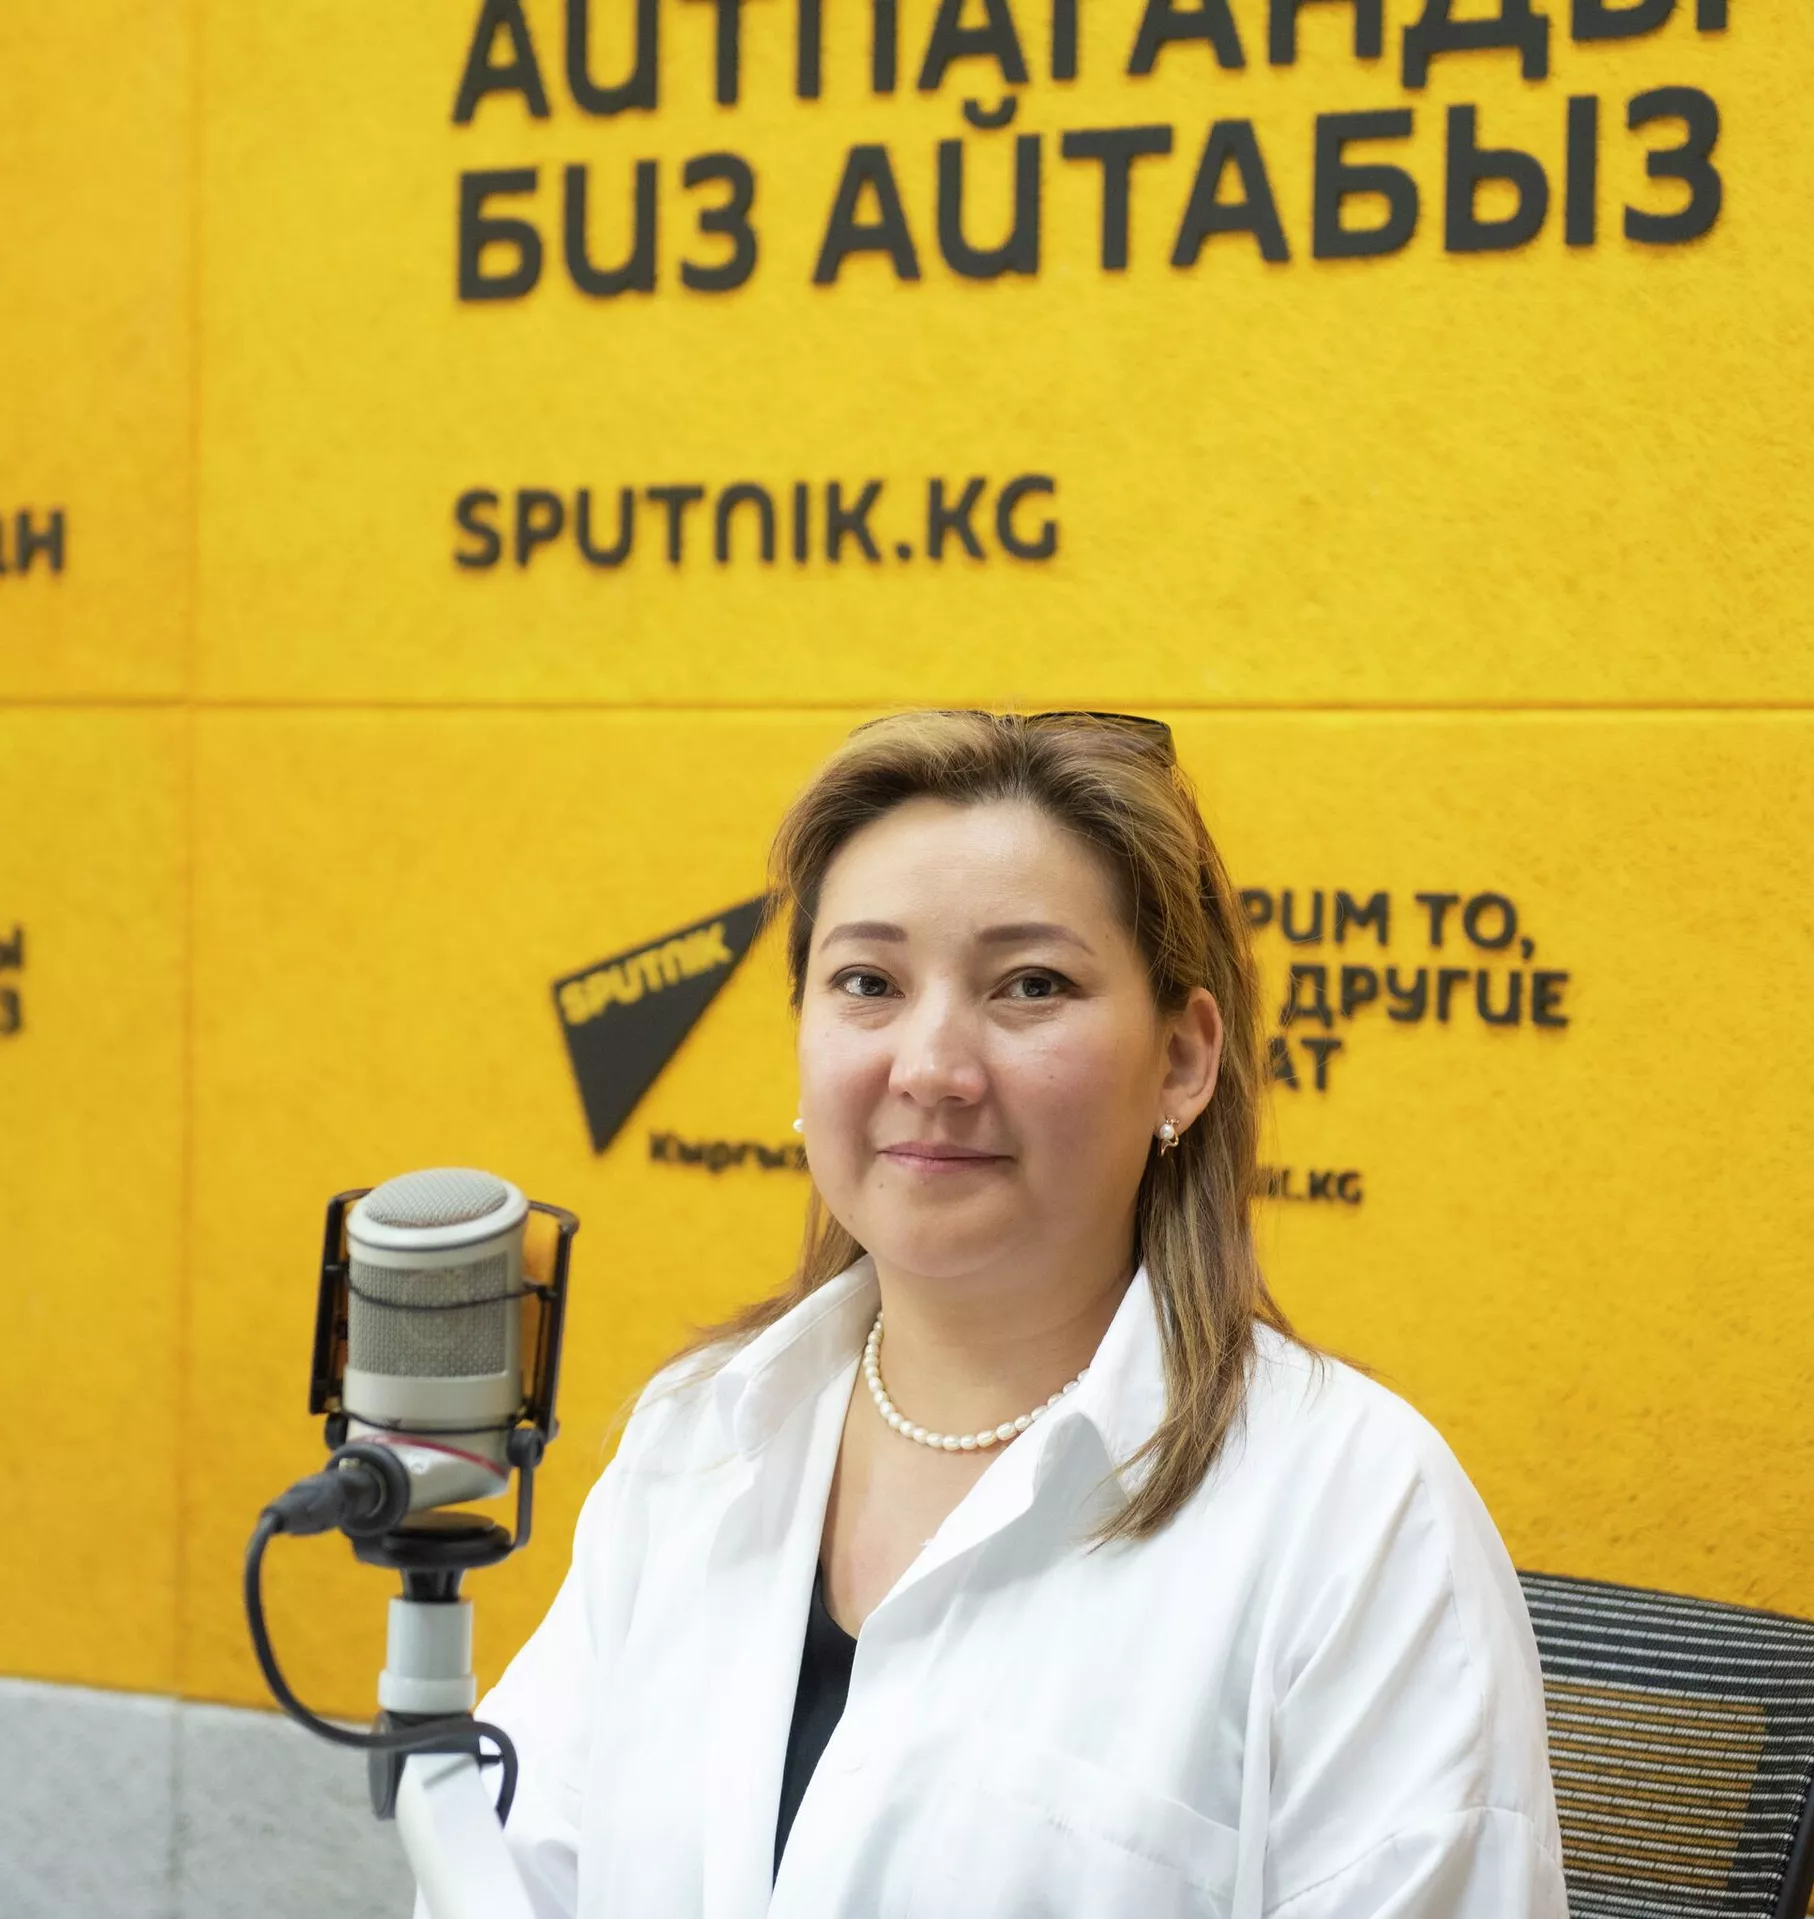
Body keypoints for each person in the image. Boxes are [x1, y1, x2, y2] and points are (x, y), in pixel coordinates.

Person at [457, 710, 1568, 1918]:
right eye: (868, 983)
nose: (932, 1067)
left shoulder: (1360, 1512)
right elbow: (503, 1881)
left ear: (1183, 1060)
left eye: (1031, 984)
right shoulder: (697, 1439)